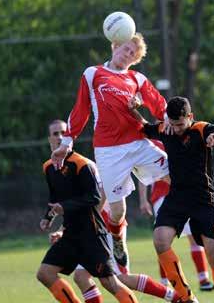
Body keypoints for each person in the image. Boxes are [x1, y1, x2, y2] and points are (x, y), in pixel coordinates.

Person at [51, 32, 170, 268]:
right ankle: (117, 238)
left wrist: (172, 119)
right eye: (126, 49)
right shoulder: (93, 73)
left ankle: (206, 221)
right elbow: (80, 110)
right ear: (115, 45)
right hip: (109, 151)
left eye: (133, 54)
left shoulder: (137, 79)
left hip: (138, 143)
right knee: (117, 211)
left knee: (179, 175)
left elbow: (160, 105)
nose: (128, 55)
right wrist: (66, 143)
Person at [129, 96, 214, 303]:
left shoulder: (202, 129)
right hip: (177, 197)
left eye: (180, 124)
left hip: (204, 198)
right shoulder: (166, 129)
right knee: (160, 240)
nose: (176, 129)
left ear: (190, 117)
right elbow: (144, 127)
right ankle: (187, 298)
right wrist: (134, 108)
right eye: (173, 123)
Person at [36, 119, 140, 303]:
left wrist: (65, 207)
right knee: (45, 273)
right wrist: (47, 218)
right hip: (71, 235)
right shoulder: (48, 167)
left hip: (92, 234)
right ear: (49, 139)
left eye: (63, 133)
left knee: (110, 283)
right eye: (55, 133)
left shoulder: (82, 164)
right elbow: (54, 198)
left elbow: (95, 198)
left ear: (70, 138)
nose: (60, 137)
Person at [50, 201, 182, 303]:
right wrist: (64, 229)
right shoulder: (62, 170)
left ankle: (176, 297)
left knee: (121, 278)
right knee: (81, 276)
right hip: (88, 230)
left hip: (106, 227)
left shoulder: (87, 167)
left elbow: (97, 199)